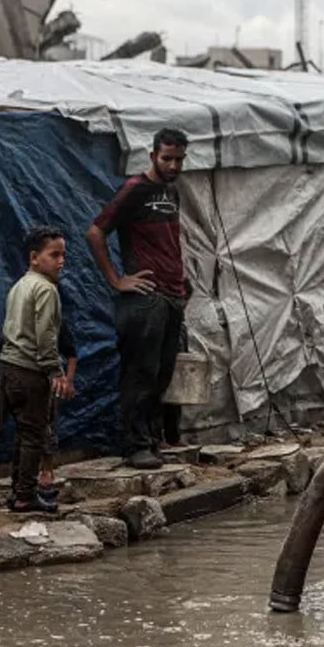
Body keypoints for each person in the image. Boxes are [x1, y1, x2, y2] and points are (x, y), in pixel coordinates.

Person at [87, 128, 189, 470]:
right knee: (140, 373)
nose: (173, 165)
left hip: (173, 295)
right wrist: (117, 280)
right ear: (152, 156)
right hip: (146, 298)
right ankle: (135, 446)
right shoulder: (135, 189)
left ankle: (153, 438)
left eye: (179, 159)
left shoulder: (170, 192)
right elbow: (96, 231)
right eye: (167, 159)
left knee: (162, 374)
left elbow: (169, 244)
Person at [0, 300, 76, 506]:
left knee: (42, 430)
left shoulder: (54, 322)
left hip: (44, 382)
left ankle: (39, 478)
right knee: (28, 435)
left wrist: (66, 380)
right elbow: (0, 347)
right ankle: (24, 492)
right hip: (24, 380)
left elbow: (69, 352)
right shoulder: (19, 327)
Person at [0, 226, 69, 513]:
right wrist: (55, 371)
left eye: (63, 255)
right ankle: (26, 496)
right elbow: (46, 336)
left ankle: (18, 492)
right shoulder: (46, 289)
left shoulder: (20, 286)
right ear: (35, 257)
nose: (61, 261)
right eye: (54, 255)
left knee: (24, 434)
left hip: (8, 367)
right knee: (34, 435)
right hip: (29, 370)